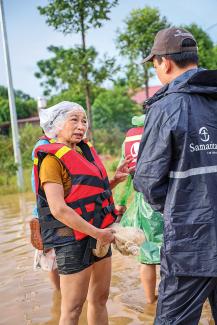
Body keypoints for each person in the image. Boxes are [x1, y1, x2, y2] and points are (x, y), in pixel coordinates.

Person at [134, 27, 217, 324]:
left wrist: (176, 208)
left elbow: (147, 180)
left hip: (189, 246)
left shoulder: (167, 105)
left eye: (154, 64)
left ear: (164, 62)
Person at [33, 101, 131, 325]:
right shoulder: (51, 160)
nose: (81, 126)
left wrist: (113, 180)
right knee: (73, 308)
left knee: (100, 298)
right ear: (56, 125)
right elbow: (58, 209)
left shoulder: (85, 153)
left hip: (99, 234)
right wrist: (98, 233)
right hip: (73, 240)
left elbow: (89, 195)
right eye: (74, 120)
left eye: (84, 121)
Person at [115, 114, 163, 304]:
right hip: (166, 199)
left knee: (147, 255)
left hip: (142, 203)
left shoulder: (128, 140)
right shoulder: (160, 132)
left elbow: (125, 175)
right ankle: (171, 297)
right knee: (172, 252)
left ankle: (150, 299)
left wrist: (121, 201)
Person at [31, 135, 60, 290]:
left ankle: (61, 294)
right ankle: (60, 293)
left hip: (49, 209)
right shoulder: (44, 145)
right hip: (47, 210)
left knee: (54, 254)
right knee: (50, 254)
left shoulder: (56, 144)